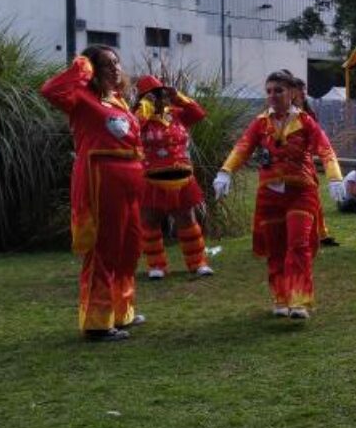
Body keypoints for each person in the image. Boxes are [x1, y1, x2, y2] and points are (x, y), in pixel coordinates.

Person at [213, 70, 345, 320]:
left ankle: (298, 300)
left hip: (301, 191)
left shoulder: (306, 121)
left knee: (298, 243)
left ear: (292, 93)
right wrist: (225, 171)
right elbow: (242, 147)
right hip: (269, 195)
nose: (273, 95)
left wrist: (335, 176)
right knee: (275, 248)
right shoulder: (260, 122)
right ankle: (280, 297)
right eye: (269, 91)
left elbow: (325, 149)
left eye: (279, 90)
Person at [40, 45, 145, 342]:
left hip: (130, 179)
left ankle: (121, 310)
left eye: (117, 62)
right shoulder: (81, 98)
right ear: (93, 69)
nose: (115, 68)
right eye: (106, 64)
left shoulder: (119, 101)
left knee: (128, 246)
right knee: (105, 247)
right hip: (102, 178)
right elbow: (51, 90)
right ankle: (98, 322)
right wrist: (80, 66)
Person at [133, 75, 213, 280]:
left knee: (187, 218)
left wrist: (178, 96)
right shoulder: (139, 119)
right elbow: (131, 129)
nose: (160, 98)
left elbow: (198, 113)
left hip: (181, 175)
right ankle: (156, 265)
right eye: (152, 96)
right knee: (150, 220)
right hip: (152, 177)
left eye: (161, 93)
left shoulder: (176, 114)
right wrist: (145, 106)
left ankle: (198, 262)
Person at [284, 71, 340, 248]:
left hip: (305, 164)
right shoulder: (280, 112)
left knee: (313, 198)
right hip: (284, 165)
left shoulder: (308, 114)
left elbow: (318, 139)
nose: (303, 92)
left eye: (304, 89)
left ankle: (320, 233)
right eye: (299, 89)